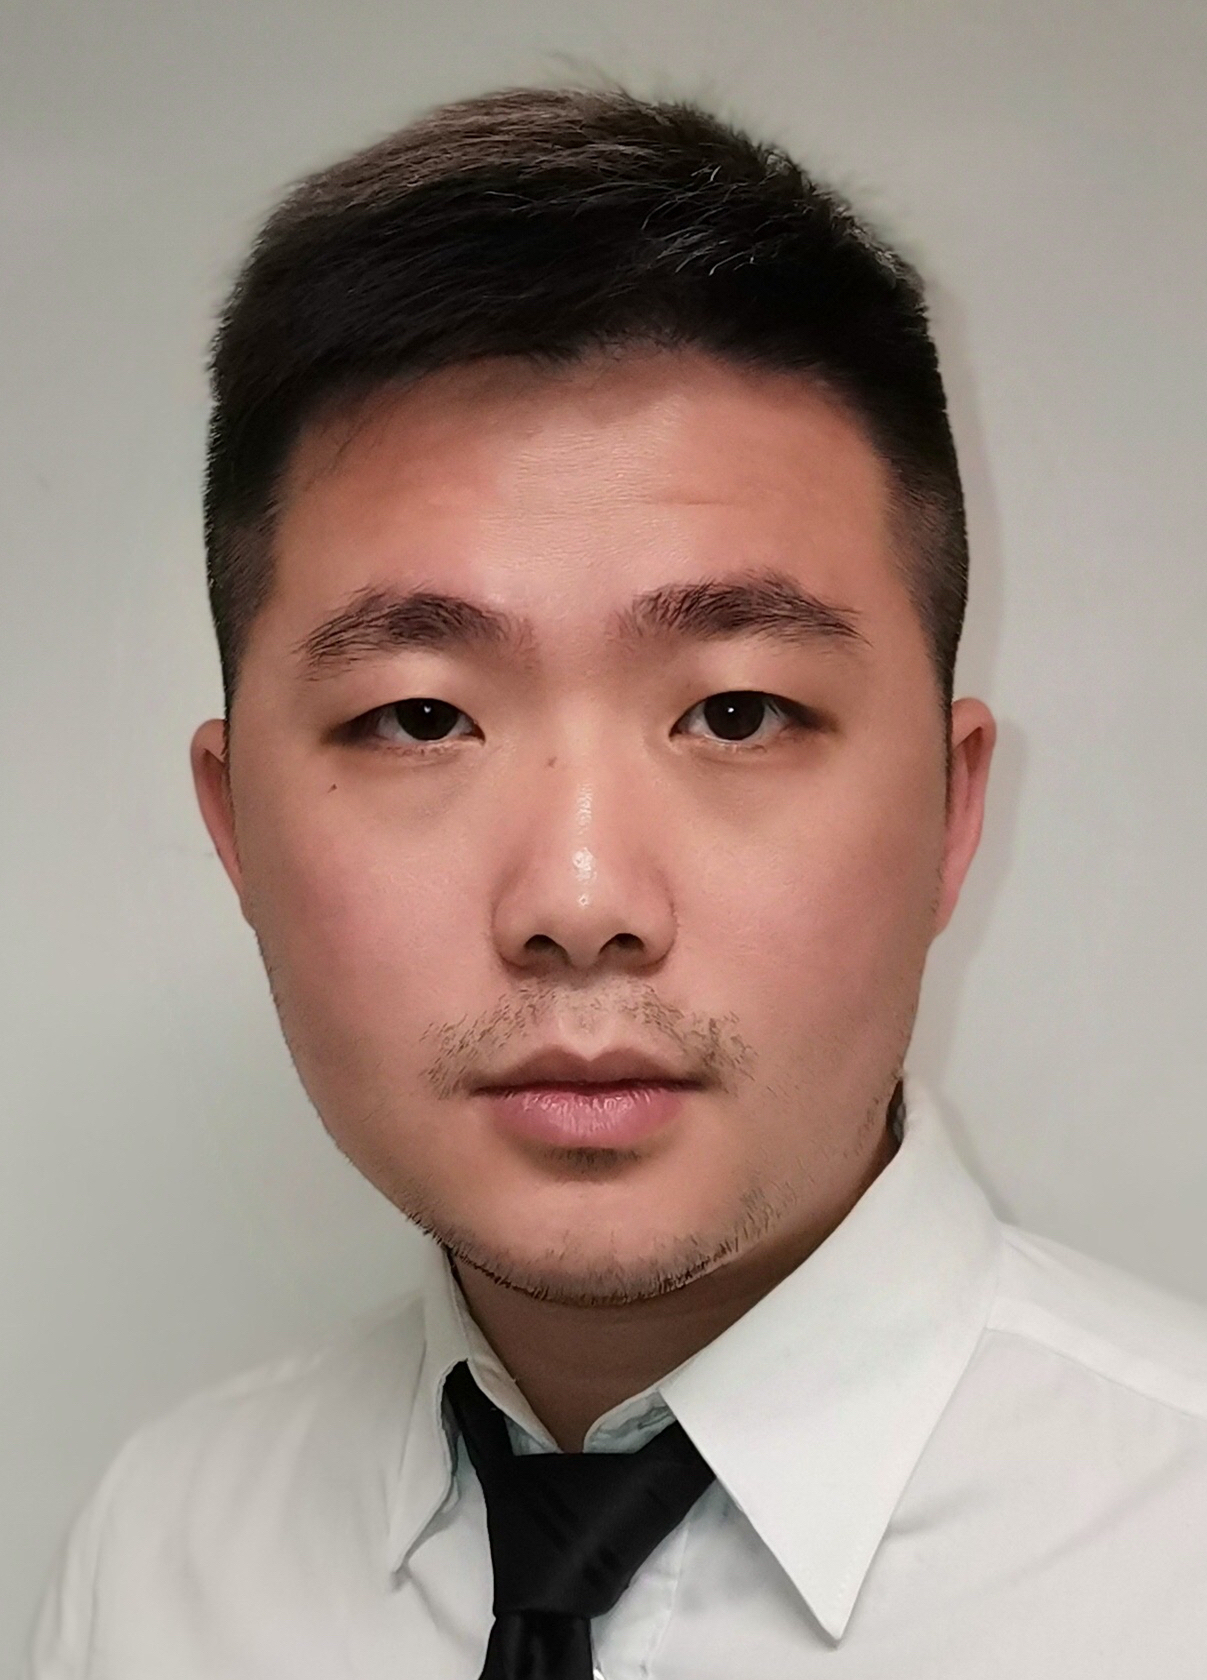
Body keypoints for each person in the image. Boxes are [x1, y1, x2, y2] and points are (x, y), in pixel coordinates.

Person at [25, 84, 1207, 1680]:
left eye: (738, 713)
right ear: (236, 830)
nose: (580, 902)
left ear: (952, 810)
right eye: (421, 719)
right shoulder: (158, 1561)